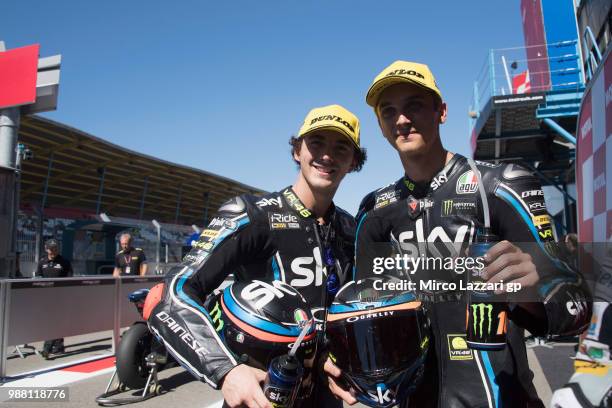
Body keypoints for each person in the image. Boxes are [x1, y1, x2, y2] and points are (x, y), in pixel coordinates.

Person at [324, 60, 592, 407]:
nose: (402, 120)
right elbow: (358, 314)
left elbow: (576, 308)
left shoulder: (502, 185)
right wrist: (345, 365)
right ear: (381, 126)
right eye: (389, 111)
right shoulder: (375, 210)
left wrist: (534, 289)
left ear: (442, 111)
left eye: (414, 106)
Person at [148, 104, 366, 407]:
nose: (327, 155)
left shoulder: (350, 228)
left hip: (327, 397)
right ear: (297, 151)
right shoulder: (251, 214)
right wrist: (227, 371)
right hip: (261, 397)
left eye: (341, 147)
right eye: (316, 143)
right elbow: (171, 294)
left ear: (353, 161)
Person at [35, 239, 73, 359]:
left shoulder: (64, 262)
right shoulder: (42, 262)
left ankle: (47, 348)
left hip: (60, 297)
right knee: (50, 322)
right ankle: (58, 345)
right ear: (46, 249)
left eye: (55, 248)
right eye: (51, 249)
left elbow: (70, 278)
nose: (53, 251)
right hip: (46, 297)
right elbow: (37, 277)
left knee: (55, 321)